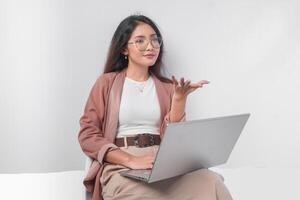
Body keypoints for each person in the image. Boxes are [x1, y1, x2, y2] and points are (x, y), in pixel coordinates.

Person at [78, 14, 233, 200]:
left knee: (211, 181)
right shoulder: (106, 83)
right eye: (140, 41)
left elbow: (176, 140)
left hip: (162, 163)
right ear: (124, 49)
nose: (150, 46)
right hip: (121, 163)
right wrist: (130, 160)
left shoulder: (167, 87)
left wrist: (179, 100)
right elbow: (88, 134)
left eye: (154, 40)